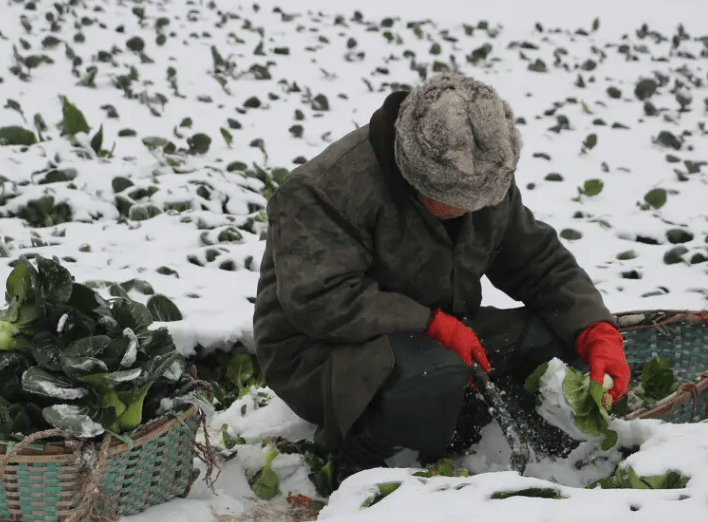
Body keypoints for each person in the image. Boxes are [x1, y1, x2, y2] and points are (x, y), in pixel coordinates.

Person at [252, 71, 631, 480]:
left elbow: (537, 259)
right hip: (321, 349)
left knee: (552, 339)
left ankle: (545, 454)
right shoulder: (325, 189)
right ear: (417, 178)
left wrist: (595, 329)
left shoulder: (483, 172)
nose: (476, 210)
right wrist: (432, 325)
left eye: (485, 200)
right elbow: (319, 300)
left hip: (442, 329)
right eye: (459, 203)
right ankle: (362, 459)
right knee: (431, 373)